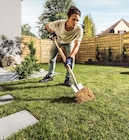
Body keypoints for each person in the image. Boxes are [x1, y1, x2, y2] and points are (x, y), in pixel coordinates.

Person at [39, 5, 83, 86]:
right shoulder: (59, 23)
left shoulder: (79, 29)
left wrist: (69, 57)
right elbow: (47, 25)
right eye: (73, 19)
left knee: (71, 60)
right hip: (58, 41)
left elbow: (77, 45)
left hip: (69, 42)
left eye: (77, 20)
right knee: (51, 58)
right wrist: (52, 33)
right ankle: (50, 75)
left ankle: (68, 78)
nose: (75, 22)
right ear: (68, 17)